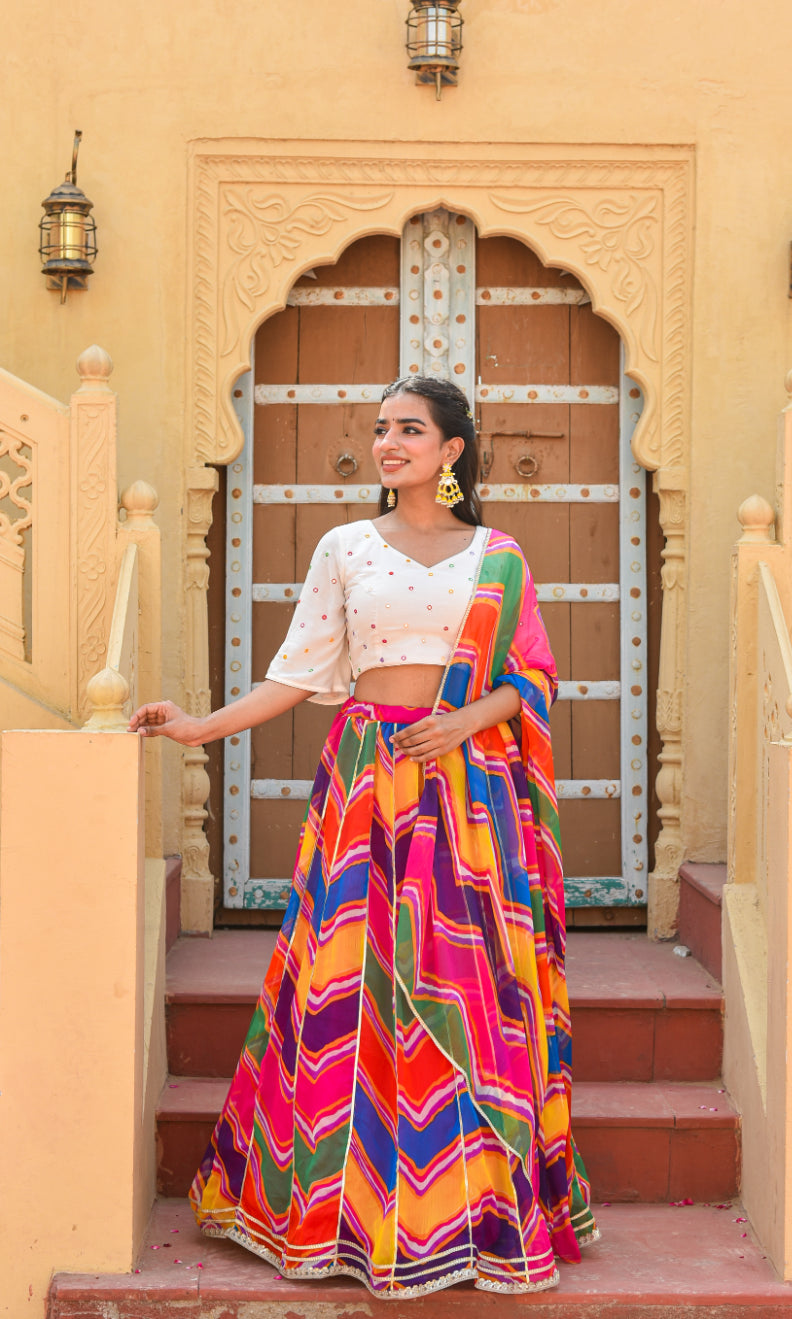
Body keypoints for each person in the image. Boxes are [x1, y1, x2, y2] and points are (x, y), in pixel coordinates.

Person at [129, 375, 598, 1297]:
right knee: (349, 990)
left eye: (409, 430)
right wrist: (199, 726)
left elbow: (533, 680)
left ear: (451, 450)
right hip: (367, 788)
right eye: (381, 429)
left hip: (466, 795)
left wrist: (463, 723)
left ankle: (470, 1218)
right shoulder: (345, 546)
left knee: (468, 992)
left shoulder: (496, 557)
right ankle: (343, 1213)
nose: (388, 443)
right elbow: (297, 676)